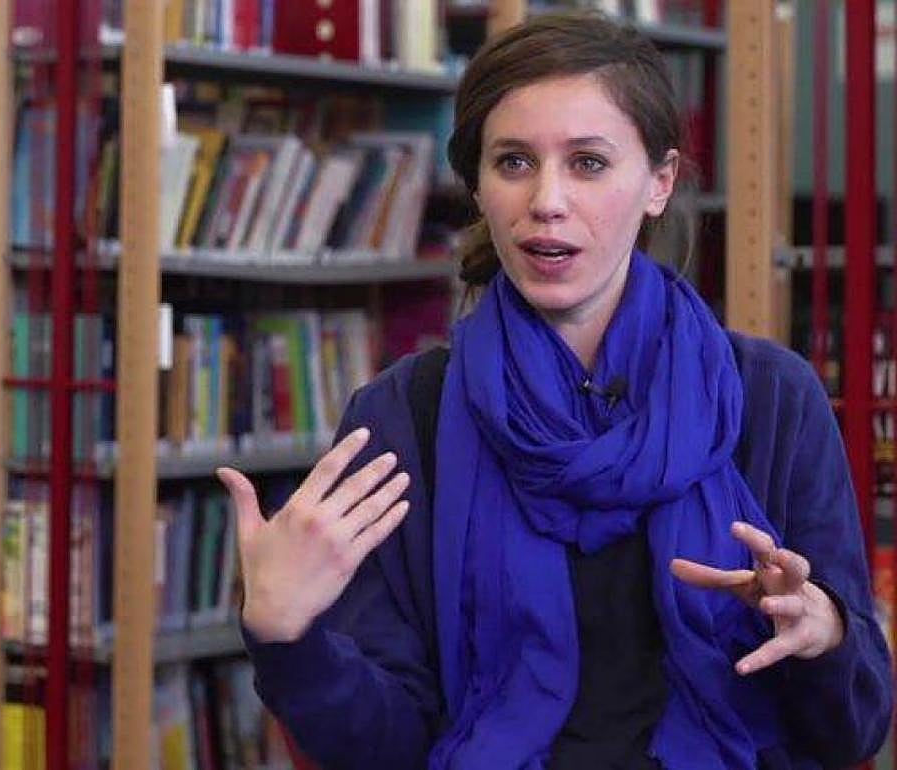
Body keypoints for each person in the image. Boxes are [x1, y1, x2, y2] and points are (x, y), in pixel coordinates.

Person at [214, 11, 894, 770]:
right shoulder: (403, 417)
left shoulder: (771, 398)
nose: (546, 200)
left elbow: (855, 730)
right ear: (478, 187)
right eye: (513, 162)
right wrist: (287, 637)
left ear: (660, 182)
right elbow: (388, 749)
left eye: (588, 163)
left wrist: (824, 633)